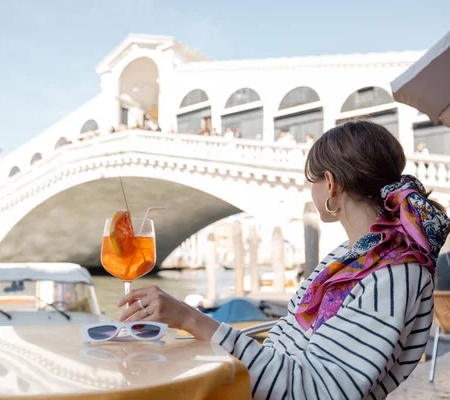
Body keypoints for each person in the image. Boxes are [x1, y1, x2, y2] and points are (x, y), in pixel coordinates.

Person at [118, 120, 450, 399]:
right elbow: (285, 354)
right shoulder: (346, 258)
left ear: (330, 184)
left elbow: (318, 390)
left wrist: (192, 319)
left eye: (313, 182)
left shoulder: (393, 274)